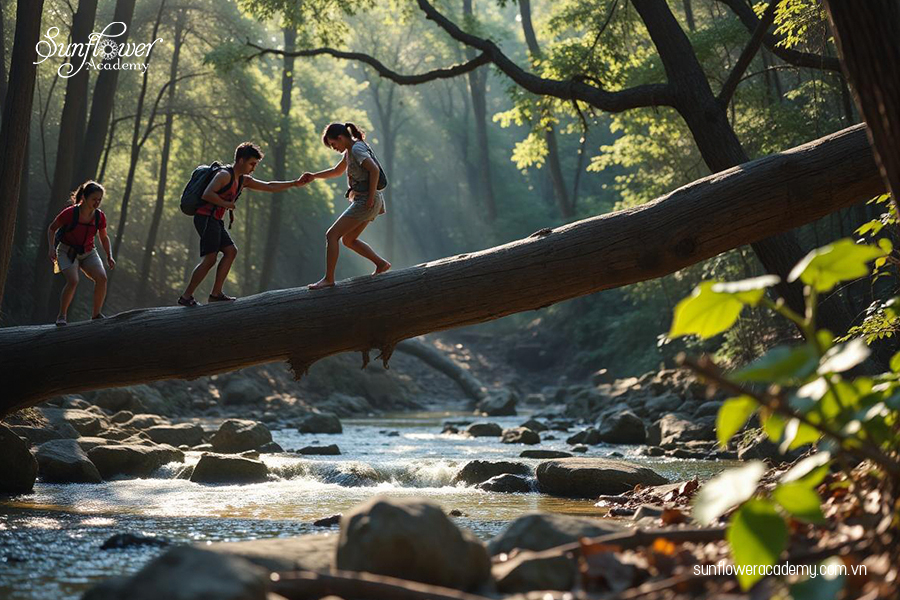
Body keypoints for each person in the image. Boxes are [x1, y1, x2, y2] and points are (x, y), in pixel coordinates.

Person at [178, 142, 303, 306]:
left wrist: (295, 183)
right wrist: (227, 204)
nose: (253, 168)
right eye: (252, 163)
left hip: (215, 220)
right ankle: (186, 297)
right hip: (206, 218)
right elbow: (208, 194)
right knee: (210, 259)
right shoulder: (224, 175)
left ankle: (216, 294)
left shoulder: (243, 180)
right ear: (241, 160)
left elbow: (269, 186)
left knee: (230, 251)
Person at [302, 122, 391, 290]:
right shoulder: (351, 151)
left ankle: (329, 279)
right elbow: (337, 171)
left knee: (332, 235)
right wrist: (314, 176)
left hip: (367, 200)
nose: (334, 147)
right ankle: (381, 264)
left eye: (333, 144)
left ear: (341, 138)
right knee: (348, 240)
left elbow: (374, 170)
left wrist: (370, 197)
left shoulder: (357, 150)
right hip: (370, 200)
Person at [47, 180, 116, 326]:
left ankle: (96, 315)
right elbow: (52, 228)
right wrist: (51, 247)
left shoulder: (99, 216)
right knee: (73, 281)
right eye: (94, 199)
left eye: (99, 200)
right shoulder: (70, 213)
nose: (97, 203)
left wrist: (109, 255)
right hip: (67, 251)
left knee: (102, 278)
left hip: (89, 252)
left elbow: (104, 237)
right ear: (84, 197)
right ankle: (62, 316)